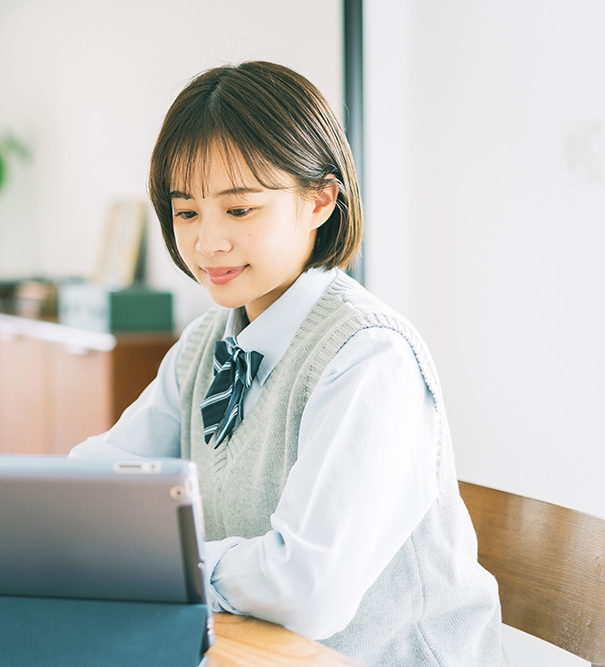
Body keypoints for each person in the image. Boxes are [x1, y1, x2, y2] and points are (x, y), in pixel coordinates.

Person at [70, 61, 503, 666]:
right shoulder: (205, 343)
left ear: (321, 199)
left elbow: (308, 589)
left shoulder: (367, 356)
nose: (206, 242)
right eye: (187, 211)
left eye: (239, 210)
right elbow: (97, 480)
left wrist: (163, 556)